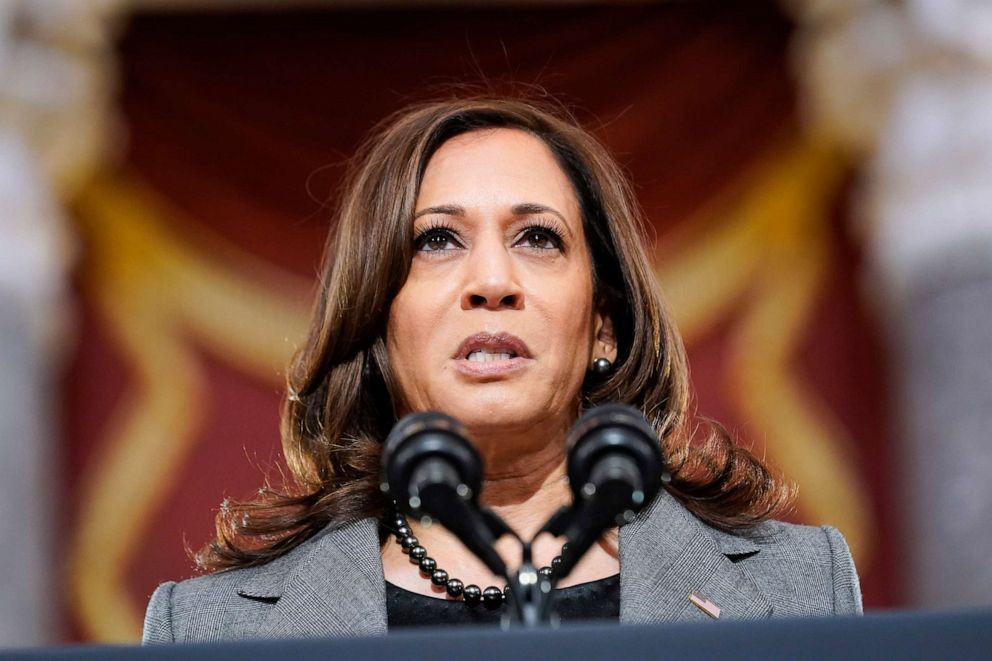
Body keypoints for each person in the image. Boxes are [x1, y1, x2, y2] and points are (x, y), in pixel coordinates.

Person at [142, 96, 862, 643]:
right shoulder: (207, 633)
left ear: (602, 323)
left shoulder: (799, 590)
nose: (492, 279)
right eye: (438, 240)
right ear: (378, 322)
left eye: (539, 237)